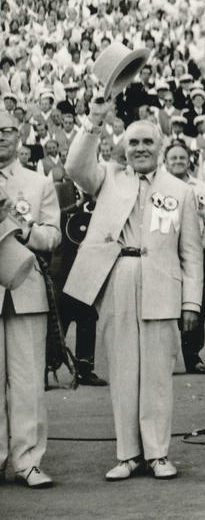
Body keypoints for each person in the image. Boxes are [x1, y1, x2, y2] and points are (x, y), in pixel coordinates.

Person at [63, 99, 203, 481]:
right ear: (124, 148)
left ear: (161, 148)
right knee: (123, 368)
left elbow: (191, 252)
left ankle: (158, 453)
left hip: (162, 281)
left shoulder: (180, 190)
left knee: (158, 371)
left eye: (148, 143)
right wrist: (94, 120)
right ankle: (127, 454)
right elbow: (75, 166)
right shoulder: (108, 177)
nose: (141, 148)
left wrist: (192, 301)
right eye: (134, 143)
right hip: (119, 274)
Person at [0, 111, 62, 488]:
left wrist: (21, 228)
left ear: (18, 135)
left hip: (26, 287)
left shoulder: (38, 183)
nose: (0, 138)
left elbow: (53, 237)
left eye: (6, 131)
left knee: (27, 380)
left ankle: (28, 459)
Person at [164, 140, 205, 374]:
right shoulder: (160, 187)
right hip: (166, 253)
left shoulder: (201, 188)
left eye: (182, 158)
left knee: (196, 304)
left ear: (189, 160)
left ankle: (192, 356)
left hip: (194, 253)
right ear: (165, 162)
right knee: (168, 304)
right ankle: (168, 357)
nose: (178, 161)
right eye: (173, 158)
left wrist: (199, 247)